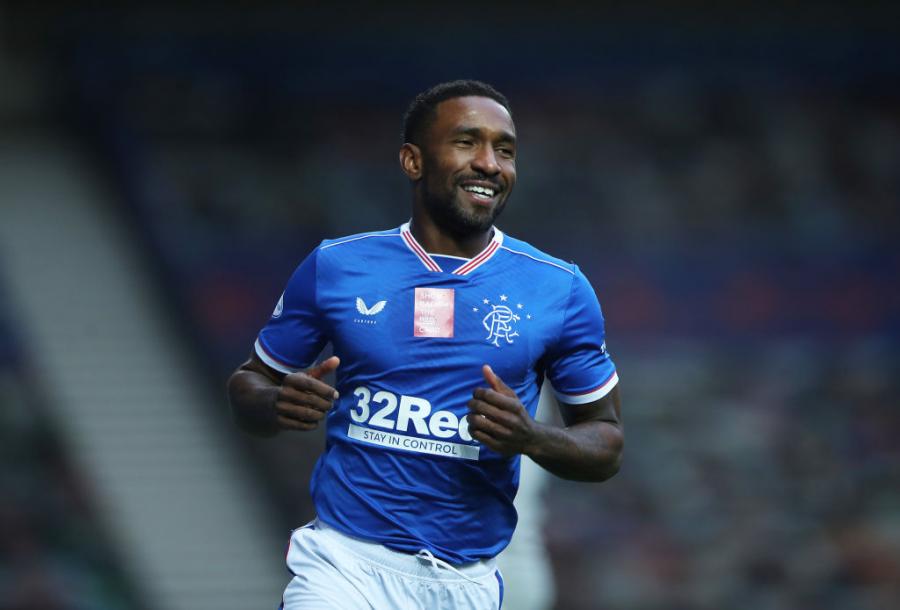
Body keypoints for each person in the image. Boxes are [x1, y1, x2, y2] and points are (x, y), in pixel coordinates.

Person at [227, 80, 623, 610]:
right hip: (344, 567)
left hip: (466, 583)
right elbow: (249, 385)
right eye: (467, 142)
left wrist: (532, 437)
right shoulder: (337, 266)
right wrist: (275, 402)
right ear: (413, 161)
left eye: (504, 150)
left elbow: (606, 443)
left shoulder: (560, 289)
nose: (489, 163)